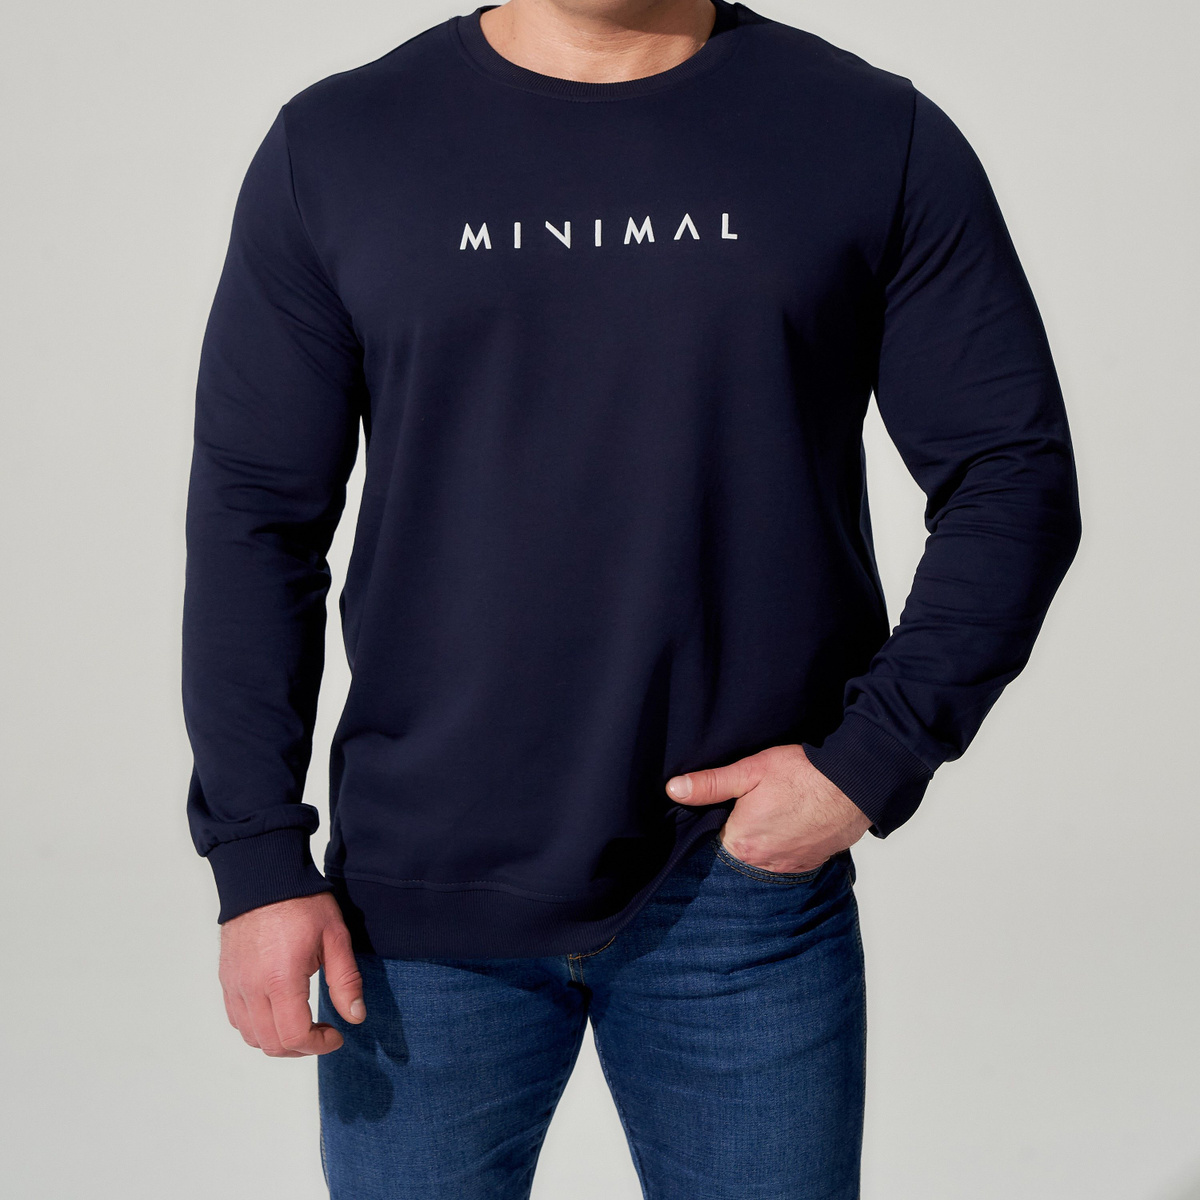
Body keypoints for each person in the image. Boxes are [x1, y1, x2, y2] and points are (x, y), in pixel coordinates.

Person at [182, 0, 1081, 1195]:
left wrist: (871, 760)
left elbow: (1012, 474)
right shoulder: (344, 144)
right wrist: (256, 858)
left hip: (738, 888)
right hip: (417, 900)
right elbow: (256, 520)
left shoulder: (865, 134)